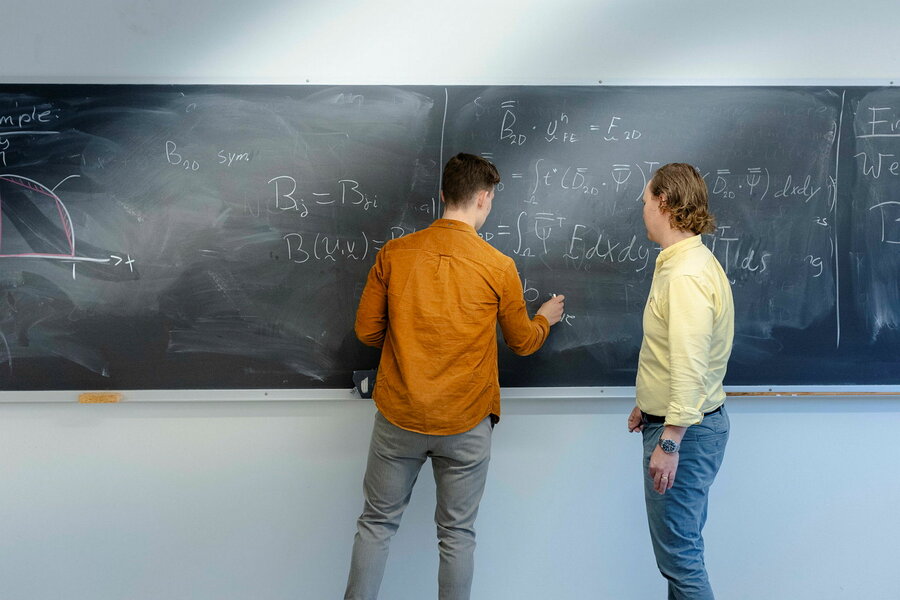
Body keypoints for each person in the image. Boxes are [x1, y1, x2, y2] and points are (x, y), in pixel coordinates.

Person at [345, 153, 566, 600]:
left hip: (399, 417)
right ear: (483, 198)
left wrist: (409, 327)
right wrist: (544, 319)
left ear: (442, 194)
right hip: (466, 422)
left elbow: (367, 331)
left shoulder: (395, 254)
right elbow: (522, 342)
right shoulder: (497, 266)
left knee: (376, 524)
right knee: (457, 534)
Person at [627, 163, 734, 600]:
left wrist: (669, 439)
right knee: (681, 556)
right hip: (685, 423)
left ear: (665, 202)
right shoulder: (684, 262)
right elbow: (676, 354)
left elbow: (690, 364)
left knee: (680, 561)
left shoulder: (686, 275)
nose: (643, 208)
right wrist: (647, 402)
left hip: (685, 433)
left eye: (647, 199)